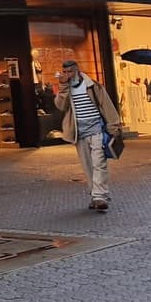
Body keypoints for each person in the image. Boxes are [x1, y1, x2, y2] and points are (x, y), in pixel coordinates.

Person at [54, 59, 121, 211]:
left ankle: (100, 197)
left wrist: (113, 126)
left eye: (70, 71)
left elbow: (107, 105)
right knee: (88, 166)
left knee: (99, 164)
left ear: (77, 70)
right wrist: (63, 86)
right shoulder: (65, 88)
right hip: (79, 132)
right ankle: (95, 195)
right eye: (64, 72)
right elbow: (60, 106)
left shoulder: (92, 85)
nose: (67, 75)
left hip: (96, 129)